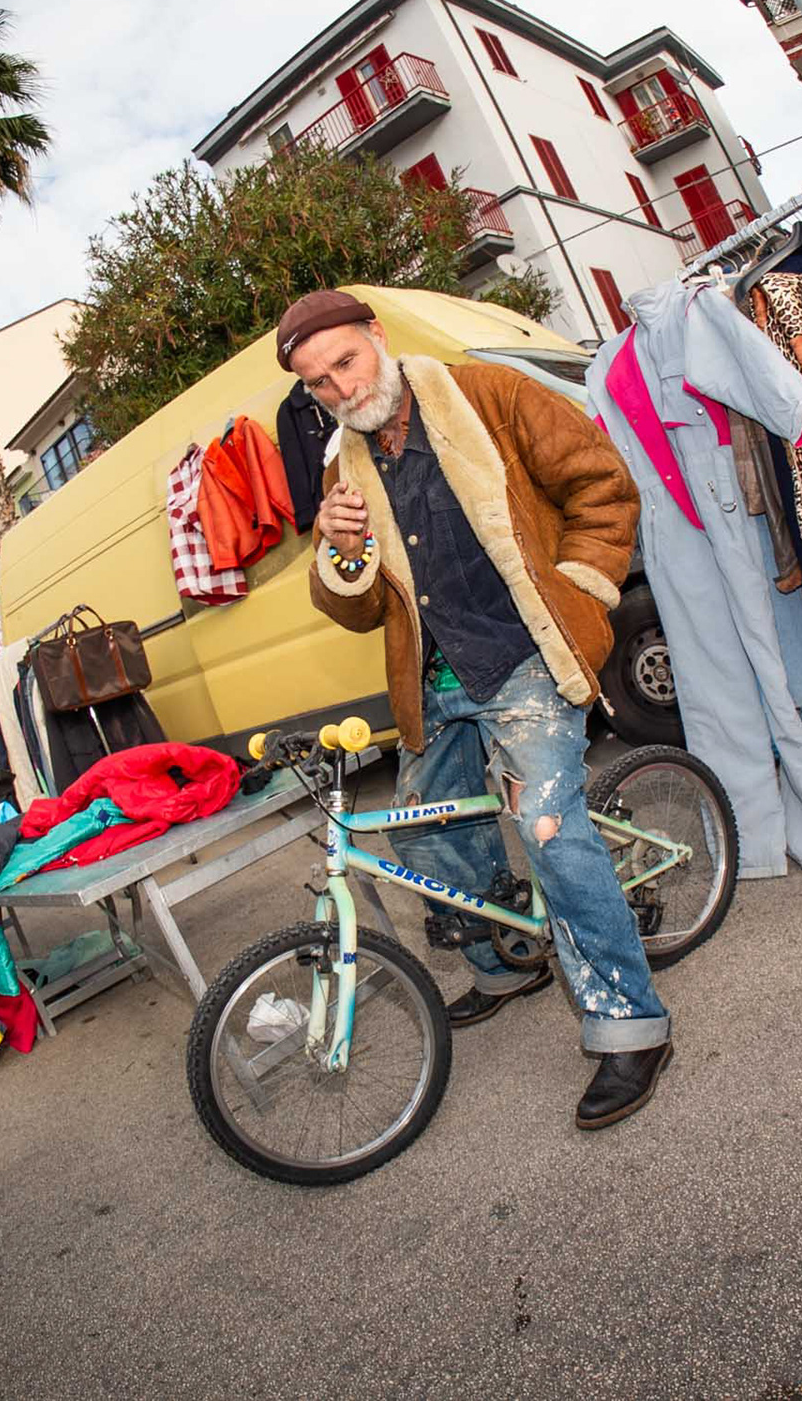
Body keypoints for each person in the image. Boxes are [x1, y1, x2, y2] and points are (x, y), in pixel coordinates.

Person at [285, 288, 672, 1131]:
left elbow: (603, 484)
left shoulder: (488, 396)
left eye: (346, 361)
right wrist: (341, 554)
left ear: (377, 337)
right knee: (421, 827)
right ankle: (505, 961)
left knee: (548, 827)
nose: (342, 388)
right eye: (319, 382)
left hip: (526, 658)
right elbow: (358, 609)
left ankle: (629, 1024)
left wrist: (582, 589)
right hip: (435, 678)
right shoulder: (343, 471)